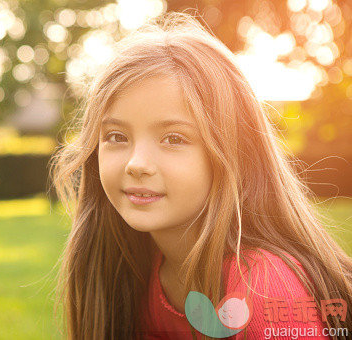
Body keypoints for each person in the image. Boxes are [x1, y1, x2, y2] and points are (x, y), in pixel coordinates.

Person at [49, 11, 352, 340]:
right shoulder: (136, 269)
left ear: (233, 155)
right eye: (117, 137)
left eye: (174, 139)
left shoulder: (264, 286)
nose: (136, 163)